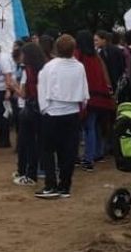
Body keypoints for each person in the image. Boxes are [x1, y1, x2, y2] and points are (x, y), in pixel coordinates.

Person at [36, 34, 89, 199]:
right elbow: (84, 92)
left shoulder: (49, 67)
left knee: (47, 150)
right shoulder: (79, 66)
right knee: (68, 151)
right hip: (72, 112)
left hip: (52, 112)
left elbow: (42, 88)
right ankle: (65, 186)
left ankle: (50, 185)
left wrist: (44, 109)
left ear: (56, 48)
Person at [74, 31, 115, 172]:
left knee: (87, 127)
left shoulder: (79, 56)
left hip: (87, 97)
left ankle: (88, 158)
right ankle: (97, 153)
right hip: (101, 97)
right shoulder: (96, 56)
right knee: (95, 126)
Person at [13, 42, 47, 186]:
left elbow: (23, 94)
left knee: (28, 143)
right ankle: (36, 171)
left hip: (30, 108)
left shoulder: (28, 71)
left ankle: (29, 174)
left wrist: (12, 85)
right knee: (40, 143)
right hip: (42, 109)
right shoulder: (45, 69)